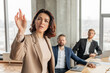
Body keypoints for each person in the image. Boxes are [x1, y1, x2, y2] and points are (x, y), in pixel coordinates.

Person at [10, 9, 56, 73]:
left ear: (49, 25)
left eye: (46, 21)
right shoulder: (27, 39)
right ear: (35, 21)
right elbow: (15, 56)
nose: (42, 22)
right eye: (39, 19)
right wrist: (21, 31)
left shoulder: (47, 40)